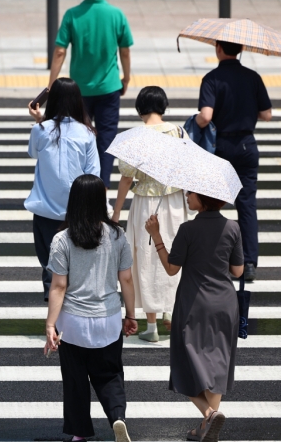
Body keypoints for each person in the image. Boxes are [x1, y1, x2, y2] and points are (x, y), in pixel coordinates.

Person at [44, 174, 137, 442]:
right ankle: (117, 416)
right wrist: (130, 315)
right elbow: (127, 279)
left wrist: (51, 324)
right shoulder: (117, 236)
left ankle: (79, 434)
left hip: (72, 323)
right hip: (107, 318)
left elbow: (59, 287)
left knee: (75, 379)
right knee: (109, 374)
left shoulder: (62, 239)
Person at [145, 190, 244, 442]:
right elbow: (238, 270)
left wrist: (156, 235)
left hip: (194, 303)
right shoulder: (232, 227)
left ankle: (208, 414)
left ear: (204, 199)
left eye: (192, 194)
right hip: (224, 303)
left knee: (184, 364)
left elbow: (171, 268)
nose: (187, 196)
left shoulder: (188, 229)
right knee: (217, 365)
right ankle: (205, 428)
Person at [111, 86, 190, 342]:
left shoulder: (134, 137)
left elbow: (126, 178)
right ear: (163, 105)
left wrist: (116, 213)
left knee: (145, 258)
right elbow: (188, 168)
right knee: (173, 252)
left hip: (145, 202)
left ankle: (152, 325)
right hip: (174, 200)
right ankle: (170, 311)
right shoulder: (179, 132)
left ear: (140, 108)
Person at [48, 0, 133, 190]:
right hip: (109, 88)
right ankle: (101, 188)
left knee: (77, 137)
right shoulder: (116, 14)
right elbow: (124, 50)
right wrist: (126, 78)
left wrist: (51, 85)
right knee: (105, 140)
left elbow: (59, 51)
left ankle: (78, 187)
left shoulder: (72, 15)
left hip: (79, 92)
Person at [196, 40, 272, 282]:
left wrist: (195, 122)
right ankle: (248, 263)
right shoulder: (253, 77)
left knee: (212, 204)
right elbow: (267, 114)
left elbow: (206, 117)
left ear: (218, 48)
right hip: (247, 146)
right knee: (246, 205)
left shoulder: (211, 78)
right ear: (241, 50)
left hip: (221, 148)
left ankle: (212, 258)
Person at [25, 78, 99, 301]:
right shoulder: (87, 133)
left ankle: (53, 324)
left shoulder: (41, 130)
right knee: (76, 264)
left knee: (50, 265)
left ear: (53, 101)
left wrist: (40, 120)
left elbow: (33, 153)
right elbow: (93, 174)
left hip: (46, 210)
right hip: (77, 212)